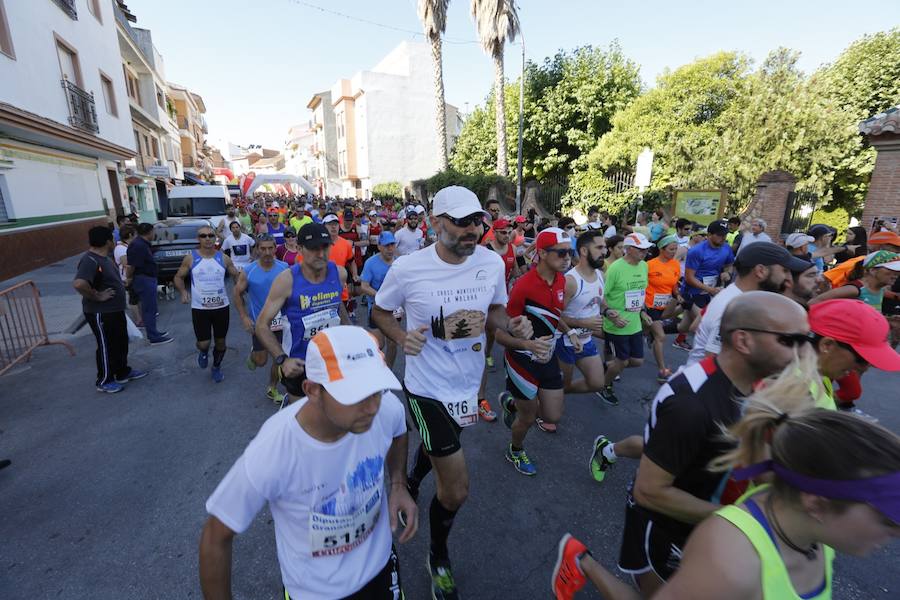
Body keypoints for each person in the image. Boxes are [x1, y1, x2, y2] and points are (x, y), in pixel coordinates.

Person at [552, 367, 900, 600]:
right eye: (886, 518)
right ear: (817, 502)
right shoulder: (730, 563)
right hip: (672, 519)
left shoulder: (819, 532)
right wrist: (722, 517)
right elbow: (650, 489)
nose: (895, 532)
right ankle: (581, 560)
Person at [372, 186, 532, 600]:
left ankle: (411, 476)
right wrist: (402, 335)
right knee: (457, 489)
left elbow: (496, 310)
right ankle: (438, 556)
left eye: (477, 221)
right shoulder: (408, 268)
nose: (473, 230)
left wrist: (511, 325)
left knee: (442, 450)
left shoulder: (492, 263)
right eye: (462, 222)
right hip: (426, 387)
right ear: (436, 223)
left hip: (467, 384)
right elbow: (380, 311)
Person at [199, 326, 419, 600]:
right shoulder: (274, 448)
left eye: (376, 390)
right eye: (355, 394)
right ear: (312, 390)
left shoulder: (383, 409)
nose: (372, 407)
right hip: (314, 592)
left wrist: (398, 484)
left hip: (380, 571)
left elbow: (399, 429)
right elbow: (215, 536)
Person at [616, 292, 811, 595]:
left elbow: (746, 459)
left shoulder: (759, 386)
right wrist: (745, 523)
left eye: (805, 340)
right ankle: (579, 561)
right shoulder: (692, 405)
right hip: (664, 529)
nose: (802, 353)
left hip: (704, 522)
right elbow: (649, 491)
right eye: (790, 341)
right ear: (744, 341)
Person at [496, 227, 579, 465]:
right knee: (528, 418)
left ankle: (510, 402)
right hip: (521, 358)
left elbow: (552, 314)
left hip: (547, 355)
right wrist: (527, 344)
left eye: (570, 253)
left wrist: (569, 331)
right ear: (542, 253)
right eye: (561, 253)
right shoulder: (523, 286)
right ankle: (515, 449)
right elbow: (500, 334)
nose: (567, 259)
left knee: (553, 415)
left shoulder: (563, 280)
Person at [686, 242, 806, 366]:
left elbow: (696, 326)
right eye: (785, 270)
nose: (789, 279)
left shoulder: (736, 296)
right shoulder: (733, 308)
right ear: (760, 271)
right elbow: (714, 364)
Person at [73, 226, 149, 393]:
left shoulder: (104, 259)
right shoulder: (90, 260)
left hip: (115, 310)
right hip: (101, 312)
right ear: (108, 241)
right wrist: (97, 296)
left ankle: (122, 372)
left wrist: (119, 285)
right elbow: (79, 283)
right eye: (112, 238)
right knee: (107, 346)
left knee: (120, 342)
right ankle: (104, 380)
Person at [173, 225, 241, 383]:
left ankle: (216, 367)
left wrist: (239, 291)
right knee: (204, 343)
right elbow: (178, 277)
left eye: (211, 235)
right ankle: (203, 352)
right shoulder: (191, 258)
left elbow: (236, 275)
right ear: (199, 239)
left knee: (221, 342)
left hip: (221, 307)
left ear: (215, 238)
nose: (208, 238)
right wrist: (183, 292)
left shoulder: (223, 258)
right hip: (200, 309)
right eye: (203, 236)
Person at [232, 234, 290, 404]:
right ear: (257, 249)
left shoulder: (284, 268)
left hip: (282, 323)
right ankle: (253, 354)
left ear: (275, 248)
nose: (267, 252)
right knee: (261, 361)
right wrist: (244, 317)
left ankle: (272, 387)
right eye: (262, 248)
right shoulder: (249, 271)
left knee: (278, 357)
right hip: (261, 324)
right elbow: (237, 293)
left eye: (270, 248)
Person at [597, 232, 652, 405]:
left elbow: (639, 293)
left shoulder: (644, 266)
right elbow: (600, 297)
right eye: (641, 249)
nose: (644, 253)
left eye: (646, 249)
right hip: (616, 324)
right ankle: (603, 386)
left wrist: (642, 312)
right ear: (628, 249)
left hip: (634, 323)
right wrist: (609, 314)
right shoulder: (615, 269)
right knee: (622, 361)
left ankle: (606, 368)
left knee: (637, 361)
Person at [557, 230, 608, 398]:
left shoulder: (600, 275)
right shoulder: (570, 281)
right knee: (560, 386)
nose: (604, 252)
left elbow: (599, 300)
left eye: (605, 247)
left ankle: (551, 396)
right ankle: (541, 406)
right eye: (599, 247)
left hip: (586, 341)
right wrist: (583, 323)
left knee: (597, 383)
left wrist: (608, 311)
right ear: (584, 251)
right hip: (564, 342)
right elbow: (553, 316)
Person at [673, 221, 734, 351]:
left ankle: (655, 329)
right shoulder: (697, 251)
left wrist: (727, 273)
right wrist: (710, 289)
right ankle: (705, 355)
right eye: (720, 235)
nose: (723, 237)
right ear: (709, 234)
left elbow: (729, 265)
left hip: (709, 291)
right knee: (704, 325)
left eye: (725, 235)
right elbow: (689, 278)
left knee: (684, 327)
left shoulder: (726, 248)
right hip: (693, 291)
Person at [126, 223, 173, 345]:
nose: (154, 234)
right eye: (153, 232)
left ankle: (154, 332)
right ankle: (153, 336)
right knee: (149, 309)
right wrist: (129, 278)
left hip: (148, 278)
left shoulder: (142, 244)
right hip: (143, 279)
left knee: (151, 308)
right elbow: (131, 265)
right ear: (149, 232)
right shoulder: (138, 245)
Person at [644, 235, 682, 382]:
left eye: (676, 249)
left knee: (683, 308)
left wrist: (677, 294)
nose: (674, 252)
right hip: (650, 305)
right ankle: (662, 371)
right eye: (671, 249)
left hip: (666, 305)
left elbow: (674, 284)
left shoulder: (675, 265)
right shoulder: (649, 265)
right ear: (661, 249)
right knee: (661, 336)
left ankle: (648, 331)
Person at [811, 250, 900, 312]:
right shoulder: (854, 289)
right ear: (872, 270)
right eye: (891, 269)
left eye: (898, 270)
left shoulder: (879, 290)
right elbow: (815, 302)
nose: (896, 274)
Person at [359, 232, 399, 369]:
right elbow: (364, 286)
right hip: (376, 309)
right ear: (379, 246)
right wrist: (381, 297)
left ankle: (388, 372)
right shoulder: (371, 263)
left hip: (394, 310)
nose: (390, 249)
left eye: (392, 244)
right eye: (386, 245)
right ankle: (373, 368)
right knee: (379, 344)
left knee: (393, 343)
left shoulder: (400, 262)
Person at [114, 224, 143, 328]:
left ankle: (140, 318)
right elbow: (127, 264)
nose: (137, 236)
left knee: (136, 297)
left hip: (132, 276)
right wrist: (129, 278)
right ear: (130, 235)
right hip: (128, 278)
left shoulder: (126, 246)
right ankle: (138, 321)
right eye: (135, 234)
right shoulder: (121, 248)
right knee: (133, 299)